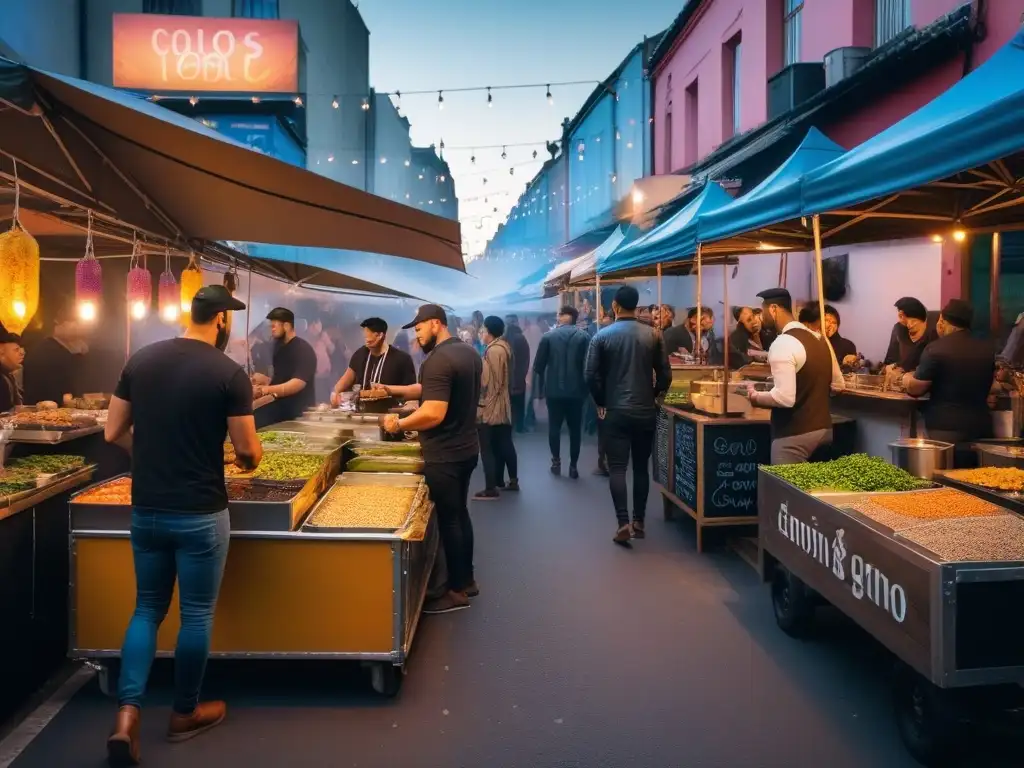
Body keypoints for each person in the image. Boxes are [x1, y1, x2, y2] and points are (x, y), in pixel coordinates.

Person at [103, 286, 262, 765]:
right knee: (195, 615)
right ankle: (183, 714)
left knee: (146, 608)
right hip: (199, 512)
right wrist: (243, 461)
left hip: (146, 508)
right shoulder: (230, 374)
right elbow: (248, 452)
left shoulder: (142, 361)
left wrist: (151, 457)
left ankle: (126, 718)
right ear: (220, 321)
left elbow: (112, 431)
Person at [381, 305, 481, 614]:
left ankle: (452, 592)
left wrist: (398, 424)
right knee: (460, 514)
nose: (417, 333)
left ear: (436, 324)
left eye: (420, 327)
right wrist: (391, 389)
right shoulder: (468, 353)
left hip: (445, 453)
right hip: (467, 448)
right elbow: (430, 389)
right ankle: (467, 580)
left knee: (448, 519)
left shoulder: (438, 359)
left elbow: (433, 412)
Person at [585, 285, 671, 546]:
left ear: (615, 306)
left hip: (615, 411)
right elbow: (666, 374)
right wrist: (655, 394)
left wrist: (601, 400)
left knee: (618, 468)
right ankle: (639, 521)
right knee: (641, 467)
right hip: (645, 410)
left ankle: (622, 522)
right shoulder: (654, 335)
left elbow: (590, 375)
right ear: (637, 306)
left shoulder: (601, 336)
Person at [745, 289, 845, 464]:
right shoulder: (822, 340)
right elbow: (838, 385)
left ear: (773, 309)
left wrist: (755, 397)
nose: (761, 318)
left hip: (794, 438)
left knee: (786, 490)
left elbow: (784, 398)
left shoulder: (783, 343)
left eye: (763, 311)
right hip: (824, 431)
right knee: (813, 490)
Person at [903, 299, 995, 466]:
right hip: (981, 427)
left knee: (947, 481)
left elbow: (916, 389)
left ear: (942, 321)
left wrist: (906, 379)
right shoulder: (986, 349)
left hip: (945, 428)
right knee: (976, 480)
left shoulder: (935, 349)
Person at [533, 305, 589, 478]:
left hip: (554, 391)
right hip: (577, 391)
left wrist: (540, 390)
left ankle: (556, 461)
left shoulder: (548, 337)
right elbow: (589, 366)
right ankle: (573, 466)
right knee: (575, 430)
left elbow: (538, 366)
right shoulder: (584, 337)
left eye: (559, 314)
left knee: (554, 427)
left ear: (563, 316)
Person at [474, 316, 518, 500]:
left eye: (482, 330)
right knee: (504, 443)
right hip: (503, 404)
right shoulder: (504, 347)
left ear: (489, 331)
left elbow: (490, 383)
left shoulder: (493, 351)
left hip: (491, 406)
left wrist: (483, 406)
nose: (481, 333)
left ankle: (491, 488)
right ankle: (508, 480)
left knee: (487, 448)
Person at [251, 308, 317, 426]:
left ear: (286, 326)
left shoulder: (303, 349)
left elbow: (297, 384)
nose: (272, 330)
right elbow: (281, 378)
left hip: (297, 411)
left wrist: (264, 390)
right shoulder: (278, 347)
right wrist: (260, 381)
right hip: (280, 405)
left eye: (274, 326)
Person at [330, 317, 416, 404]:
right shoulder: (360, 354)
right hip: (360, 412)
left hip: (388, 412)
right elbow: (344, 381)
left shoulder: (402, 359)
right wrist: (335, 394)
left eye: (369, 335)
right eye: (365, 335)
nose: (366, 339)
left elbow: (412, 393)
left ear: (380, 335)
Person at [22, 298, 88, 406]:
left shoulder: (72, 351)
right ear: (57, 324)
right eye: (72, 321)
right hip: (43, 411)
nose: (77, 326)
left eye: (78, 322)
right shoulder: (44, 351)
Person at [884, 297, 938, 373]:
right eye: (903, 319)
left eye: (913, 321)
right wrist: (889, 367)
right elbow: (891, 360)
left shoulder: (936, 326)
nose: (909, 325)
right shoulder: (898, 329)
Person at [504, 315, 530, 433]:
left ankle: (509, 425)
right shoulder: (521, 339)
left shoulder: (503, 340)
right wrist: (523, 374)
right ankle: (519, 426)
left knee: (508, 405)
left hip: (506, 379)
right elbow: (526, 359)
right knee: (519, 404)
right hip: (519, 378)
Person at [307, 318, 336, 404]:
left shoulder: (324, 336)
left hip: (325, 375)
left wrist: (326, 339)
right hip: (313, 377)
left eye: (317, 323)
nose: (315, 327)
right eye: (312, 324)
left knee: (326, 399)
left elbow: (332, 349)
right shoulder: (305, 338)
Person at [0, 326, 24, 412]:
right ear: (1, 352)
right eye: (16, 350)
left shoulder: (9, 375)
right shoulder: (2, 380)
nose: (22, 353)